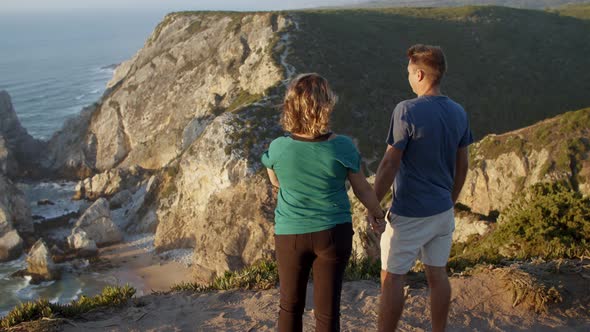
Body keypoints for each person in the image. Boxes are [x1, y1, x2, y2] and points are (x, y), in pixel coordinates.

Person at [261, 73, 385, 332]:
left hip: (291, 233)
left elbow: (275, 181)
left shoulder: (279, 147)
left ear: (290, 107)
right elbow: (362, 188)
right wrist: (376, 213)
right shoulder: (342, 147)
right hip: (332, 233)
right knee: (328, 314)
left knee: (289, 307)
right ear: (326, 105)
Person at [368, 44, 474, 332]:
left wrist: (374, 205)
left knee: (392, 278)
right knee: (437, 276)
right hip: (442, 211)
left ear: (419, 74)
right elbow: (462, 165)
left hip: (410, 214)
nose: (407, 77)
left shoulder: (406, 111)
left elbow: (389, 165)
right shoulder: (459, 112)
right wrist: (450, 200)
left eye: (408, 72)